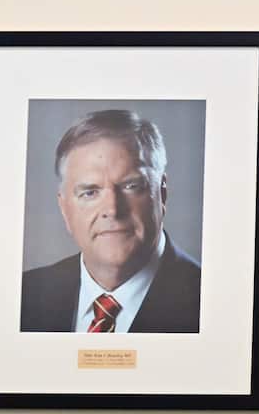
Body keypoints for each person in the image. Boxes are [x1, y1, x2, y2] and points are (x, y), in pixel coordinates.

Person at [20, 109, 201, 333]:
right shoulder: (24, 296)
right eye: (90, 192)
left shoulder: (207, 301)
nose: (113, 210)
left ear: (162, 194)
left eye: (131, 186)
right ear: (65, 209)